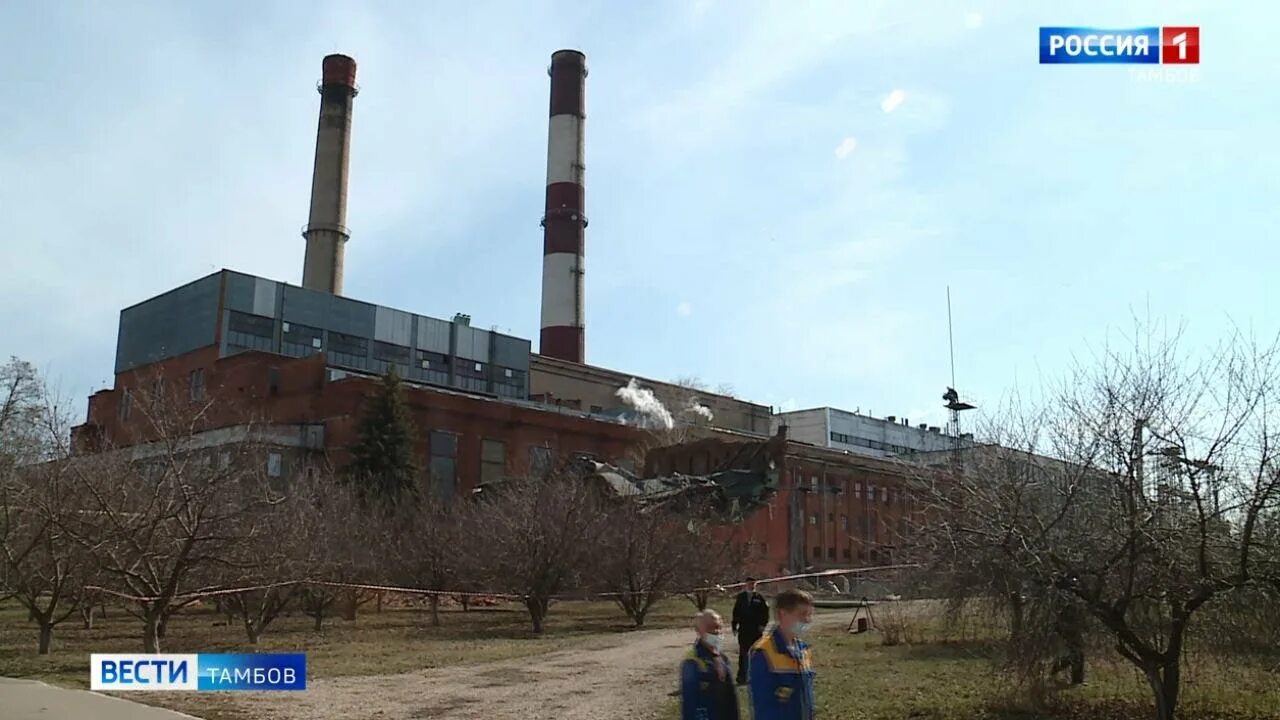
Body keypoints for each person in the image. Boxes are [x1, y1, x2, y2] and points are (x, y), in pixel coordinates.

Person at [749, 588, 816, 720]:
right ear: (782, 614)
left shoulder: (803, 650)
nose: (808, 620)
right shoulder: (763, 652)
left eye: (809, 615)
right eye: (802, 614)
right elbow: (764, 706)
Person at [680, 609, 740, 720]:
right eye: (710, 628)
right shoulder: (692, 662)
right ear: (699, 631)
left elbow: (731, 697)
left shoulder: (723, 658)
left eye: (718, 627)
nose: (716, 632)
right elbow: (690, 705)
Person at [731, 576, 770, 684]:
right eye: (749, 583)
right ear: (746, 584)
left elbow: (765, 613)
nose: (751, 585)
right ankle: (742, 677)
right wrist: (734, 626)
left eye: (753, 584)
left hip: (756, 630)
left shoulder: (760, 597)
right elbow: (736, 612)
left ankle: (756, 676)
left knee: (756, 653)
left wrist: (763, 625)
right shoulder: (741, 597)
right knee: (743, 653)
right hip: (744, 629)